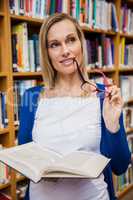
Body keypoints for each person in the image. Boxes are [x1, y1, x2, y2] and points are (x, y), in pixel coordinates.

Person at [18, 13, 131, 200]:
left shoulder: (105, 96)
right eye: (55, 44)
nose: (65, 51)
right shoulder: (32, 98)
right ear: (46, 53)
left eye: (71, 40)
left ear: (81, 44)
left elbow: (120, 166)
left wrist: (113, 126)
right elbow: (26, 162)